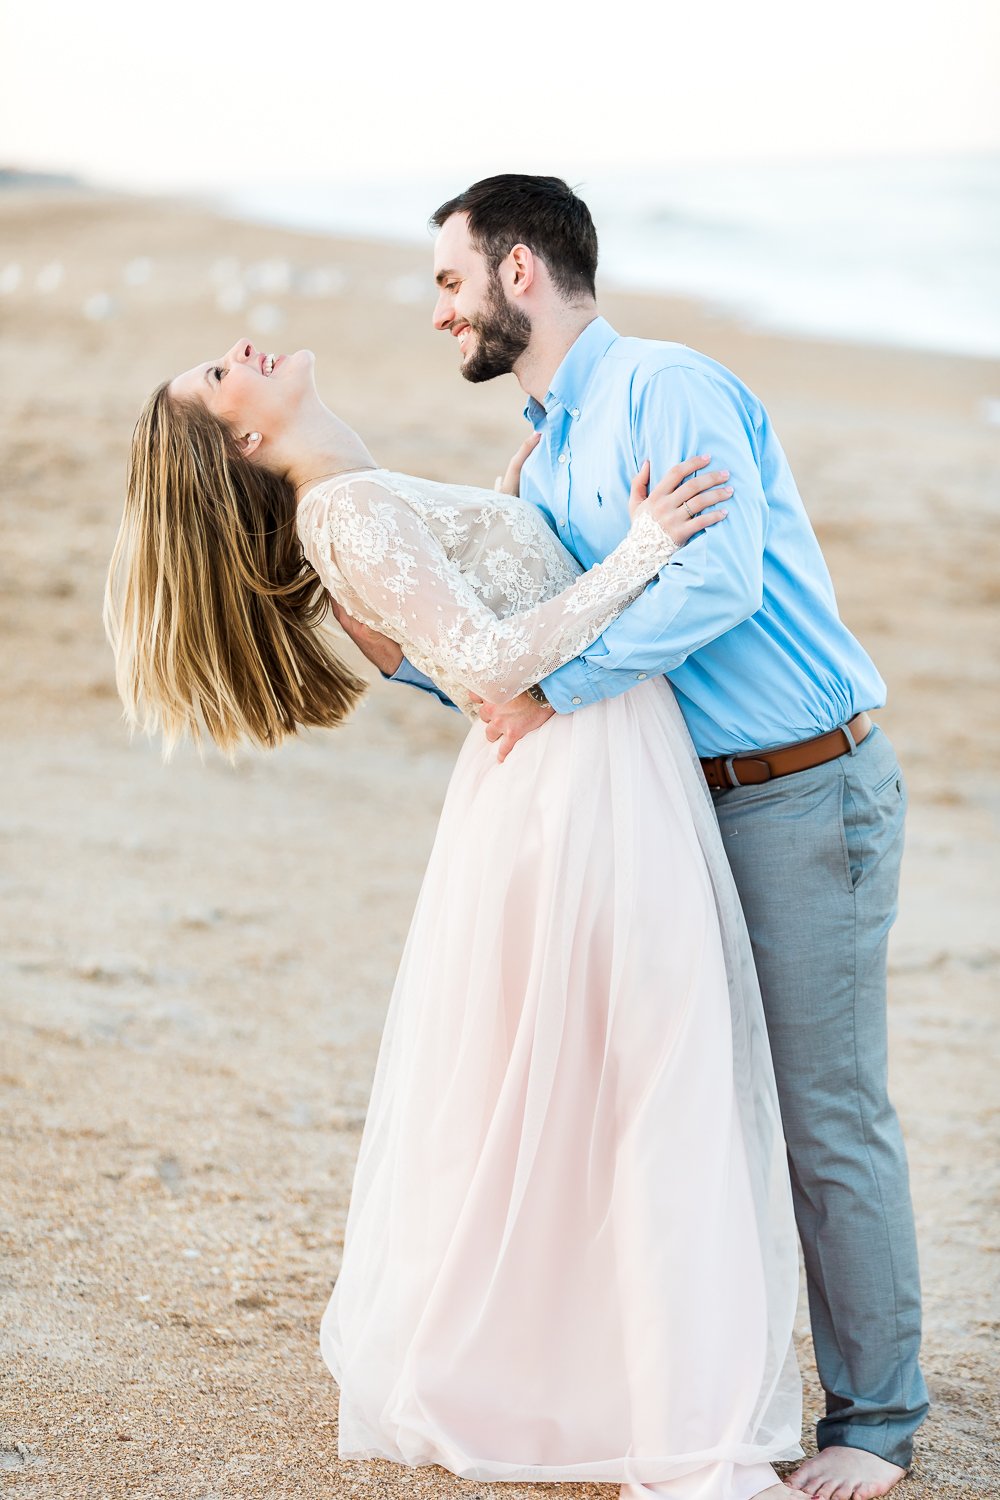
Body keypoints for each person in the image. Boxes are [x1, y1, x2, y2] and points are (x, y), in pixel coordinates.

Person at [104, 339, 808, 1500]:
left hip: (585, 767)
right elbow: (486, 666)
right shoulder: (339, 510)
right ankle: (648, 1398)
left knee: (611, 1070)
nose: (238, 352)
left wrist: (508, 504)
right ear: (242, 439)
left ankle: (611, 1376)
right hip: (576, 776)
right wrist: (643, 549)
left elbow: (459, 614)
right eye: (219, 375)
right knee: (646, 1066)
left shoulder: (354, 496)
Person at [344, 174, 928, 1500]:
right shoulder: (548, 451)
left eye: (450, 281)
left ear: (520, 272)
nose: (440, 314)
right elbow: (550, 629)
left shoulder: (665, 387)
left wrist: (553, 688)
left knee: (822, 1114)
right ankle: (707, 1386)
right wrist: (416, 659)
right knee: (688, 1110)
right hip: (682, 803)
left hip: (799, 788)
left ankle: (880, 1421)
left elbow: (711, 585)